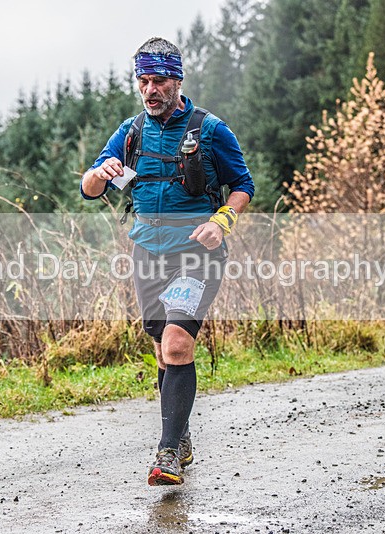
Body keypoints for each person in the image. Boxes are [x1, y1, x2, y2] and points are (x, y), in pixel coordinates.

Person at [80, 37, 254, 486]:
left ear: (177, 80)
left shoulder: (211, 130)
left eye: (158, 80)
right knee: (162, 349)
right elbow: (89, 187)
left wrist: (223, 220)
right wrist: (100, 174)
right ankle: (181, 434)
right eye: (143, 81)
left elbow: (243, 186)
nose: (150, 90)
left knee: (177, 342)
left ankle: (169, 452)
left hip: (198, 253)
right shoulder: (131, 130)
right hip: (147, 254)